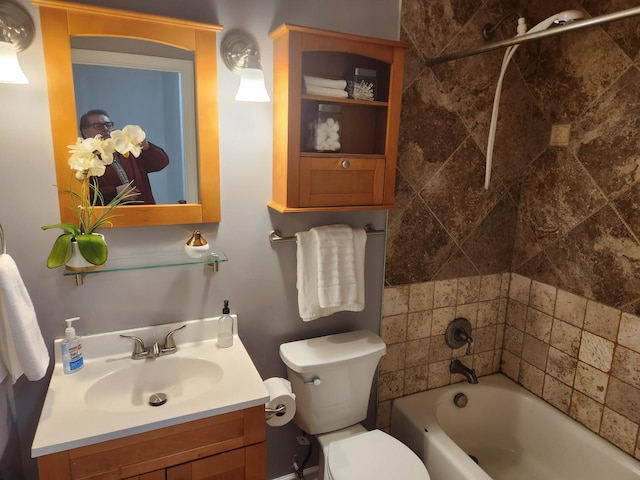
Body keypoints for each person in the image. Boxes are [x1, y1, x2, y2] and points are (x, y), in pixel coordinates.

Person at [79, 109, 170, 205]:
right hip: (111, 216)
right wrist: (115, 192)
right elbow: (86, 196)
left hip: (144, 213)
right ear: (85, 132)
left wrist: (146, 146)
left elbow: (161, 163)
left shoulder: (126, 149)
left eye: (108, 125)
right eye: (98, 126)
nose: (105, 128)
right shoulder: (84, 160)